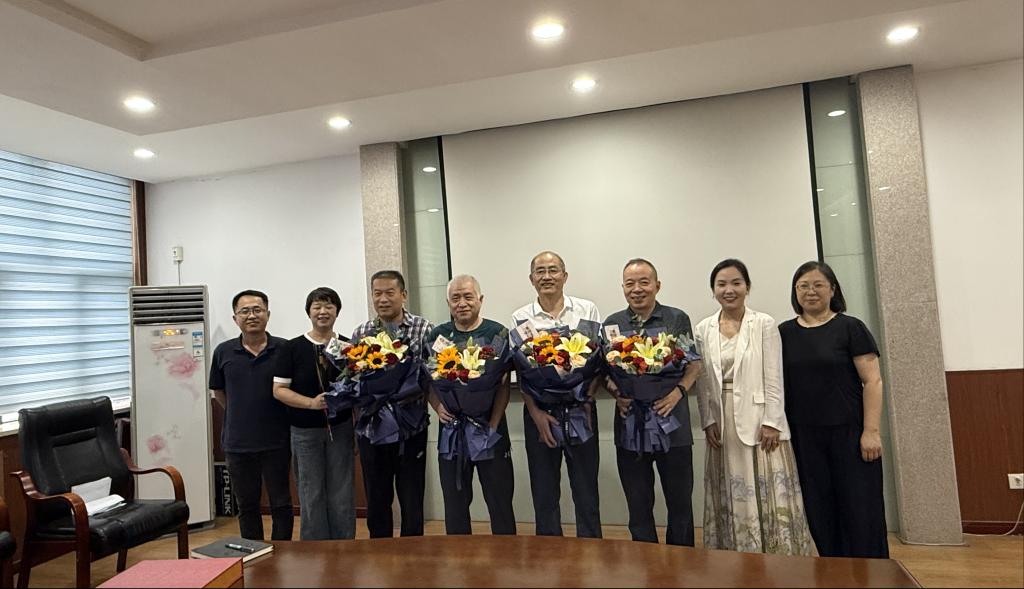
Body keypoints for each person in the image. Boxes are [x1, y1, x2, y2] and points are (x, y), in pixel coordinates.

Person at [693, 259, 815, 555]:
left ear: (747, 287)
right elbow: (703, 380)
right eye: (722, 284)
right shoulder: (703, 328)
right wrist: (707, 419)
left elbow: (773, 375)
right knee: (730, 485)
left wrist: (773, 421)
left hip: (760, 420)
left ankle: (776, 553)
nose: (729, 290)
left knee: (767, 487)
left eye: (736, 283)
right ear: (713, 290)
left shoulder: (763, 323)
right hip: (722, 420)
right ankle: (734, 552)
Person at [779, 261, 888, 558]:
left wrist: (871, 431)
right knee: (820, 510)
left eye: (818, 285)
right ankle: (834, 570)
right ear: (795, 292)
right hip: (804, 437)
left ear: (833, 289)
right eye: (803, 286)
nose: (810, 291)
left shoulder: (851, 327)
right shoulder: (784, 333)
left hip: (850, 434)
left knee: (860, 509)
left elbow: (873, 381)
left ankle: (872, 573)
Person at [603, 258, 702, 546]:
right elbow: (603, 371)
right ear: (623, 288)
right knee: (638, 502)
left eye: (644, 282)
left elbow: (694, 364)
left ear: (657, 285)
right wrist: (617, 394)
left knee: (680, 501)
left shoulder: (676, 318)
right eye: (630, 284)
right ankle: (644, 561)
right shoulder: (612, 324)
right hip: (630, 424)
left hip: (672, 423)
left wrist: (677, 393)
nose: (637, 289)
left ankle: (681, 560)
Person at [511, 251, 602, 538]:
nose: (547, 276)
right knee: (544, 492)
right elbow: (523, 370)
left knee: (586, 491)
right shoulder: (521, 317)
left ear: (565, 275)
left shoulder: (587, 310)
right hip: (540, 412)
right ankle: (549, 554)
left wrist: (588, 400)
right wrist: (535, 413)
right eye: (540, 271)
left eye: (553, 270)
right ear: (531, 279)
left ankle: (591, 550)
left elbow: (597, 362)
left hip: (581, 410)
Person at [425, 275, 516, 535]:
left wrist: (493, 424)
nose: (462, 303)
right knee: (455, 503)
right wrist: (437, 406)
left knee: (499, 500)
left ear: (480, 299)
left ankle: (505, 552)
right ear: (448, 303)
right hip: (453, 430)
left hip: (489, 428)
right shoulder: (437, 335)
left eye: (468, 296)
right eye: (455, 298)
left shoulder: (497, 333)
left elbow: (503, 385)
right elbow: (427, 380)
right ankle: (458, 554)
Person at [351, 270, 434, 538]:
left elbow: (433, 374)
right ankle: (379, 550)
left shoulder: (423, 328)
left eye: (389, 293)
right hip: (373, 428)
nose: (383, 299)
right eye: (377, 293)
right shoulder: (362, 332)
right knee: (377, 497)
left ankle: (414, 551)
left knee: (412, 496)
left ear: (403, 295)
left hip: (411, 426)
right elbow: (353, 378)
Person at [272, 287, 355, 540]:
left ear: (337, 312)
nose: (323, 311)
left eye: (329, 306)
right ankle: (314, 548)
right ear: (308, 312)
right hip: (304, 432)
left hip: (341, 429)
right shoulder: (292, 348)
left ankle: (344, 545)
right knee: (311, 492)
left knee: (342, 492)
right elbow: (279, 390)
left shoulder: (348, 347)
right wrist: (311, 403)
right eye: (317, 306)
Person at [209, 290, 293, 541]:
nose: (252, 315)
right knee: (247, 505)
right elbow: (219, 392)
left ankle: (282, 552)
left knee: (281, 503)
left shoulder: (285, 348)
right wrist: (240, 412)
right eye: (244, 311)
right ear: (235, 318)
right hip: (238, 442)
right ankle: (253, 551)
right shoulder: (223, 351)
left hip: (277, 440)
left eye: (257, 310)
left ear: (268, 314)